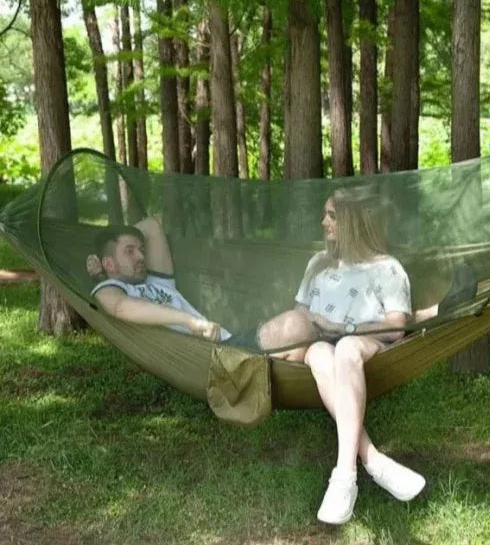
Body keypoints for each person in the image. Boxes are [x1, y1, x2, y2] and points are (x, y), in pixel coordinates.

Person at [294, 186, 426, 525]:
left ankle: (344, 476)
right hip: (321, 349)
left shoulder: (386, 268)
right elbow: (299, 316)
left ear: (353, 221)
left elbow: (396, 327)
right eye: (325, 214)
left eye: (332, 216)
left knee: (346, 347)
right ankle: (373, 461)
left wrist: (340, 326)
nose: (324, 222)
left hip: (367, 349)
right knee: (320, 353)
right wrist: (312, 328)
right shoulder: (317, 264)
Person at [88, 216, 317, 360]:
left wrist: (108, 250)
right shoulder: (108, 289)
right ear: (109, 263)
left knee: (304, 349)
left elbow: (151, 225)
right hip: (213, 356)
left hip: (229, 343)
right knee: (297, 324)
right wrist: (190, 322)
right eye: (129, 251)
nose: (140, 256)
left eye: (140, 249)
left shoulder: (156, 280)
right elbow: (121, 308)